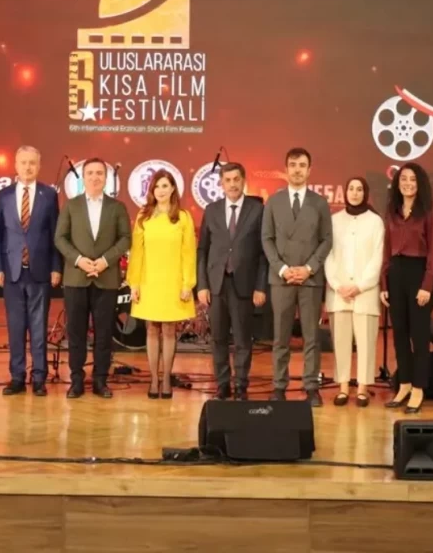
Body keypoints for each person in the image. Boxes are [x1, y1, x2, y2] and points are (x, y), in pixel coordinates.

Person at [54, 157, 131, 399]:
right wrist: (79, 260)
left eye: (99, 173)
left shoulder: (117, 207)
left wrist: (105, 261)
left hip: (106, 279)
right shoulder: (71, 206)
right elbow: (60, 238)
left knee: (104, 333)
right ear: (83, 177)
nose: (95, 177)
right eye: (90, 173)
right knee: (76, 333)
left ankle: (100, 381)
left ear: (106, 178)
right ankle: (76, 380)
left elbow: (125, 239)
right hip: (76, 278)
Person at [261, 147, 333, 406]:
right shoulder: (274, 201)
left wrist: (308, 268)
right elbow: (266, 239)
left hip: (309, 280)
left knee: (311, 336)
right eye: (292, 165)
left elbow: (326, 240)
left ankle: (311, 387)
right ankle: (279, 386)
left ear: (309, 170)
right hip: (281, 279)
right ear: (286, 169)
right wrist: (282, 268)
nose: (297, 170)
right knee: (280, 337)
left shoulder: (319, 203)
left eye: (302, 165)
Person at [0, 146, 61, 397]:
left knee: (39, 328)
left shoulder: (49, 195)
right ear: (15, 165)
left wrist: (56, 267)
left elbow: (55, 235)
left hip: (40, 271)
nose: (28, 167)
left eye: (32, 163)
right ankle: (17, 377)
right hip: (11, 272)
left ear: (39, 166)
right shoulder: (4, 195)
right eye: (23, 162)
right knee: (16, 327)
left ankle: (39, 377)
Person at [196, 162, 267, 401]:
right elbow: (203, 250)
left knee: (243, 339)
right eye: (228, 180)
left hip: (244, 285)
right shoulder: (212, 210)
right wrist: (202, 284)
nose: (233, 184)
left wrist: (260, 286)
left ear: (243, 181)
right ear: (221, 184)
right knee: (218, 338)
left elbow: (263, 253)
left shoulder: (257, 210)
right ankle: (223, 385)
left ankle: (241, 386)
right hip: (216, 285)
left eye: (236, 179)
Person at [128, 169, 197, 399]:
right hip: (148, 280)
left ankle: (166, 378)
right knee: (151, 328)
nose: (160, 190)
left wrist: (188, 283)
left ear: (173, 189)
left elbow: (189, 253)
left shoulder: (183, 217)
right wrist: (134, 283)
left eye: (165, 186)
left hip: (173, 281)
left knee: (168, 329)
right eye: (156, 186)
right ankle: (153, 379)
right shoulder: (144, 216)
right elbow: (137, 252)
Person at [380, 163, 433, 414]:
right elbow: (386, 250)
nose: (407, 183)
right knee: (400, 334)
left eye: (413, 179)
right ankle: (403, 384)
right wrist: (384, 284)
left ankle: (418, 388)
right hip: (396, 274)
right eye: (403, 179)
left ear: (420, 183)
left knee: (419, 336)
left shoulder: (427, 213)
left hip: (418, 274)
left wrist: (427, 285)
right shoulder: (392, 212)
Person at [323, 176, 384, 407]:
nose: (355, 193)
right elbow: (328, 255)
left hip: (365, 293)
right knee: (341, 341)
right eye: (351, 189)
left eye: (359, 189)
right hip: (338, 292)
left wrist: (359, 286)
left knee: (366, 342)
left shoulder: (375, 222)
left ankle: (362, 388)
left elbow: (378, 257)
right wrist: (337, 285)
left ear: (365, 193)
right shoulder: (334, 220)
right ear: (345, 192)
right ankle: (343, 387)